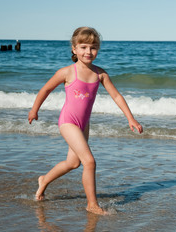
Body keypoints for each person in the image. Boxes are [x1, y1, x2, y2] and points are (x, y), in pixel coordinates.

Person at [28, 27, 143, 215]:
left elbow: (116, 96)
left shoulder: (100, 74)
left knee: (73, 163)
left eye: (93, 47)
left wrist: (131, 118)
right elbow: (45, 90)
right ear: (74, 49)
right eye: (83, 47)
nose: (88, 52)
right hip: (68, 122)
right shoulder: (67, 72)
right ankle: (92, 205)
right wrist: (34, 110)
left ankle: (44, 180)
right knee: (89, 161)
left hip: (84, 124)